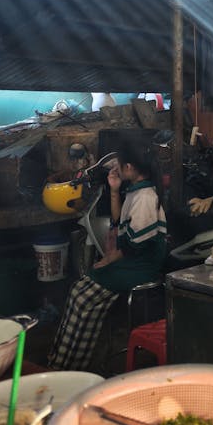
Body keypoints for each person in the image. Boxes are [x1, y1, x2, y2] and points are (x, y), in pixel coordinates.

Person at [48, 142, 167, 371]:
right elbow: (117, 223)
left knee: (83, 298)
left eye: (119, 165)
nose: (116, 168)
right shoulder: (135, 190)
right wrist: (114, 189)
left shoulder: (145, 198)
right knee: (78, 290)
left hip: (141, 266)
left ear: (130, 167)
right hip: (130, 261)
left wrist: (110, 259)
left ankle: (72, 366)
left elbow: (136, 245)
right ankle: (60, 360)